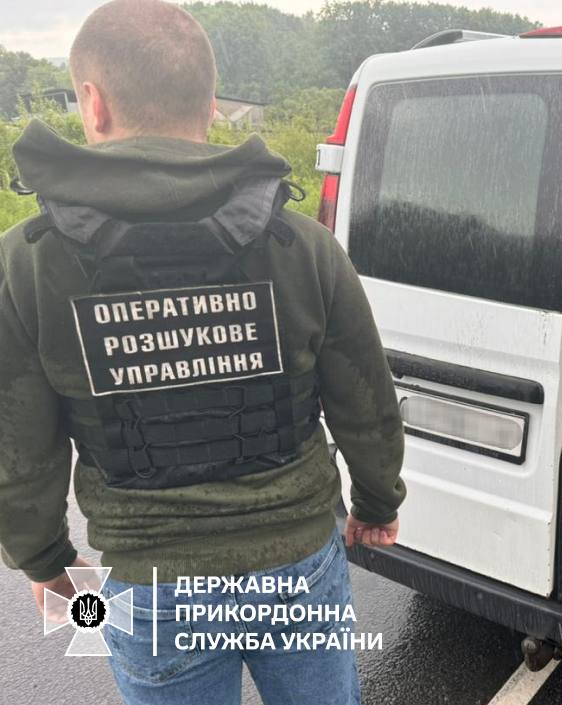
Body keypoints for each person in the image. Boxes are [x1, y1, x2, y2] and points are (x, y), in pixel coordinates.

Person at [0, 1, 404, 703]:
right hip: (296, 561)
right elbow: (365, 398)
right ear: (212, 106)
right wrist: (377, 499)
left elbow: (17, 442)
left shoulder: (27, 263)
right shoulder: (302, 245)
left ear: (93, 103)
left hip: (151, 583)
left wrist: (44, 560)